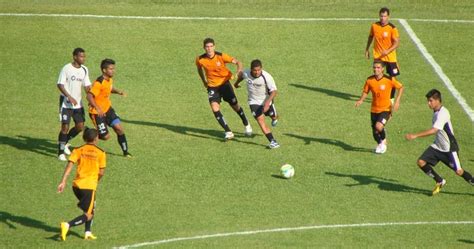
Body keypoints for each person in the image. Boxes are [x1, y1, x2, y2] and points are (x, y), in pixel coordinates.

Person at [405, 89, 474, 195]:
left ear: (438, 100)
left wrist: (415, 135)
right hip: (438, 146)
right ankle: (439, 181)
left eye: (431, 101)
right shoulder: (436, 112)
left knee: (459, 171)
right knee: (421, 162)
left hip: (449, 148)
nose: (429, 103)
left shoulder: (443, 113)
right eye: (428, 101)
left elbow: (434, 130)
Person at [196, 38, 252, 140]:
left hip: (225, 84)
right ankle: (228, 131)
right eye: (207, 47)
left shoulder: (221, 56)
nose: (209, 49)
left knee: (235, 106)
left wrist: (239, 70)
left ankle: (246, 123)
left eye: (211, 46)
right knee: (214, 107)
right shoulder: (200, 59)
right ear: (204, 48)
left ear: (214, 47)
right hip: (212, 86)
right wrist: (204, 81)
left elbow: (238, 62)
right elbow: (199, 69)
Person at [57, 128, 106, 241]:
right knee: (89, 214)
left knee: (91, 207)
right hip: (88, 186)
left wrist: (63, 181)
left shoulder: (78, 150)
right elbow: (101, 172)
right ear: (96, 138)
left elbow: (70, 165)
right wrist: (96, 180)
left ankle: (87, 232)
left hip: (76, 186)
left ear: (84, 138)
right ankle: (67, 225)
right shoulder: (101, 152)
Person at [355, 60, 404, 154]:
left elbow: (401, 87)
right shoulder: (370, 80)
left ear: (382, 69)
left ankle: (384, 141)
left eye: (378, 68)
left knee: (378, 126)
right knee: (375, 133)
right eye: (374, 67)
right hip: (374, 110)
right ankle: (380, 143)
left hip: (386, 109)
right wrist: (361, 100)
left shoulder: (389, 80)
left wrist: (397, 100)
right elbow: (366, 91)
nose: (376, 69)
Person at [87, 59, 132, 157]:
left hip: (108, 109)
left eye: (113, 69)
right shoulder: (98, 82)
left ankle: (125, 152)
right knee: (105, 137)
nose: (113, 71)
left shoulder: (109, 80)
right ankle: (88, 132)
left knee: (119, 128)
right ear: (104, 70)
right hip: (97, 112)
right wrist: (98, 108)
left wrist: (119, 91)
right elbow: (89, 96)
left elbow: (109, 88)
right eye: (111, 69)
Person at [234, 59, 280, 149]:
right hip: (253, 101)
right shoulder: (246, 73)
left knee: (273, 116)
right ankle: (273, 141)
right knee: (260, 120)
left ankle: (274, 117)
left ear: (261, 69)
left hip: (266, 100)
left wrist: (267, 104)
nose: (257, 72)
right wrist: (236, 84)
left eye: (259, 70)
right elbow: (242, 76)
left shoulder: (267, 77)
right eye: (255, 70)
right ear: (251, 69)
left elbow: (274, 91)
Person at [56, 48, 92, 161]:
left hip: (78, 104)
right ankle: (60, 152)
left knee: (80, 126)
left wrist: (92, 99)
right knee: (65, 127)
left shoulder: (84, 70)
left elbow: (87, 86)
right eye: (81, 56)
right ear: (75, 57)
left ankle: (65, 142)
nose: (83, 58)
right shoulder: (66, 68)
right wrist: (69, 97)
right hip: (66, 104)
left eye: (84, 56)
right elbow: (60, 84)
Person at [365, 7, 400, 100]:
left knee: (392, 79)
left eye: (384, 16)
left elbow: (397, 43)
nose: (382, 18)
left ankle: (391, 99)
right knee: (378, 77)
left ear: (388, 16)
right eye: (381, 16)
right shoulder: (374, 26)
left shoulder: (392, 28)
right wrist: (367, 49)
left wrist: (387, 51)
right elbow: (370, 36)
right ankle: (378, 96)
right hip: (378, 56)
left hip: (390, 57)